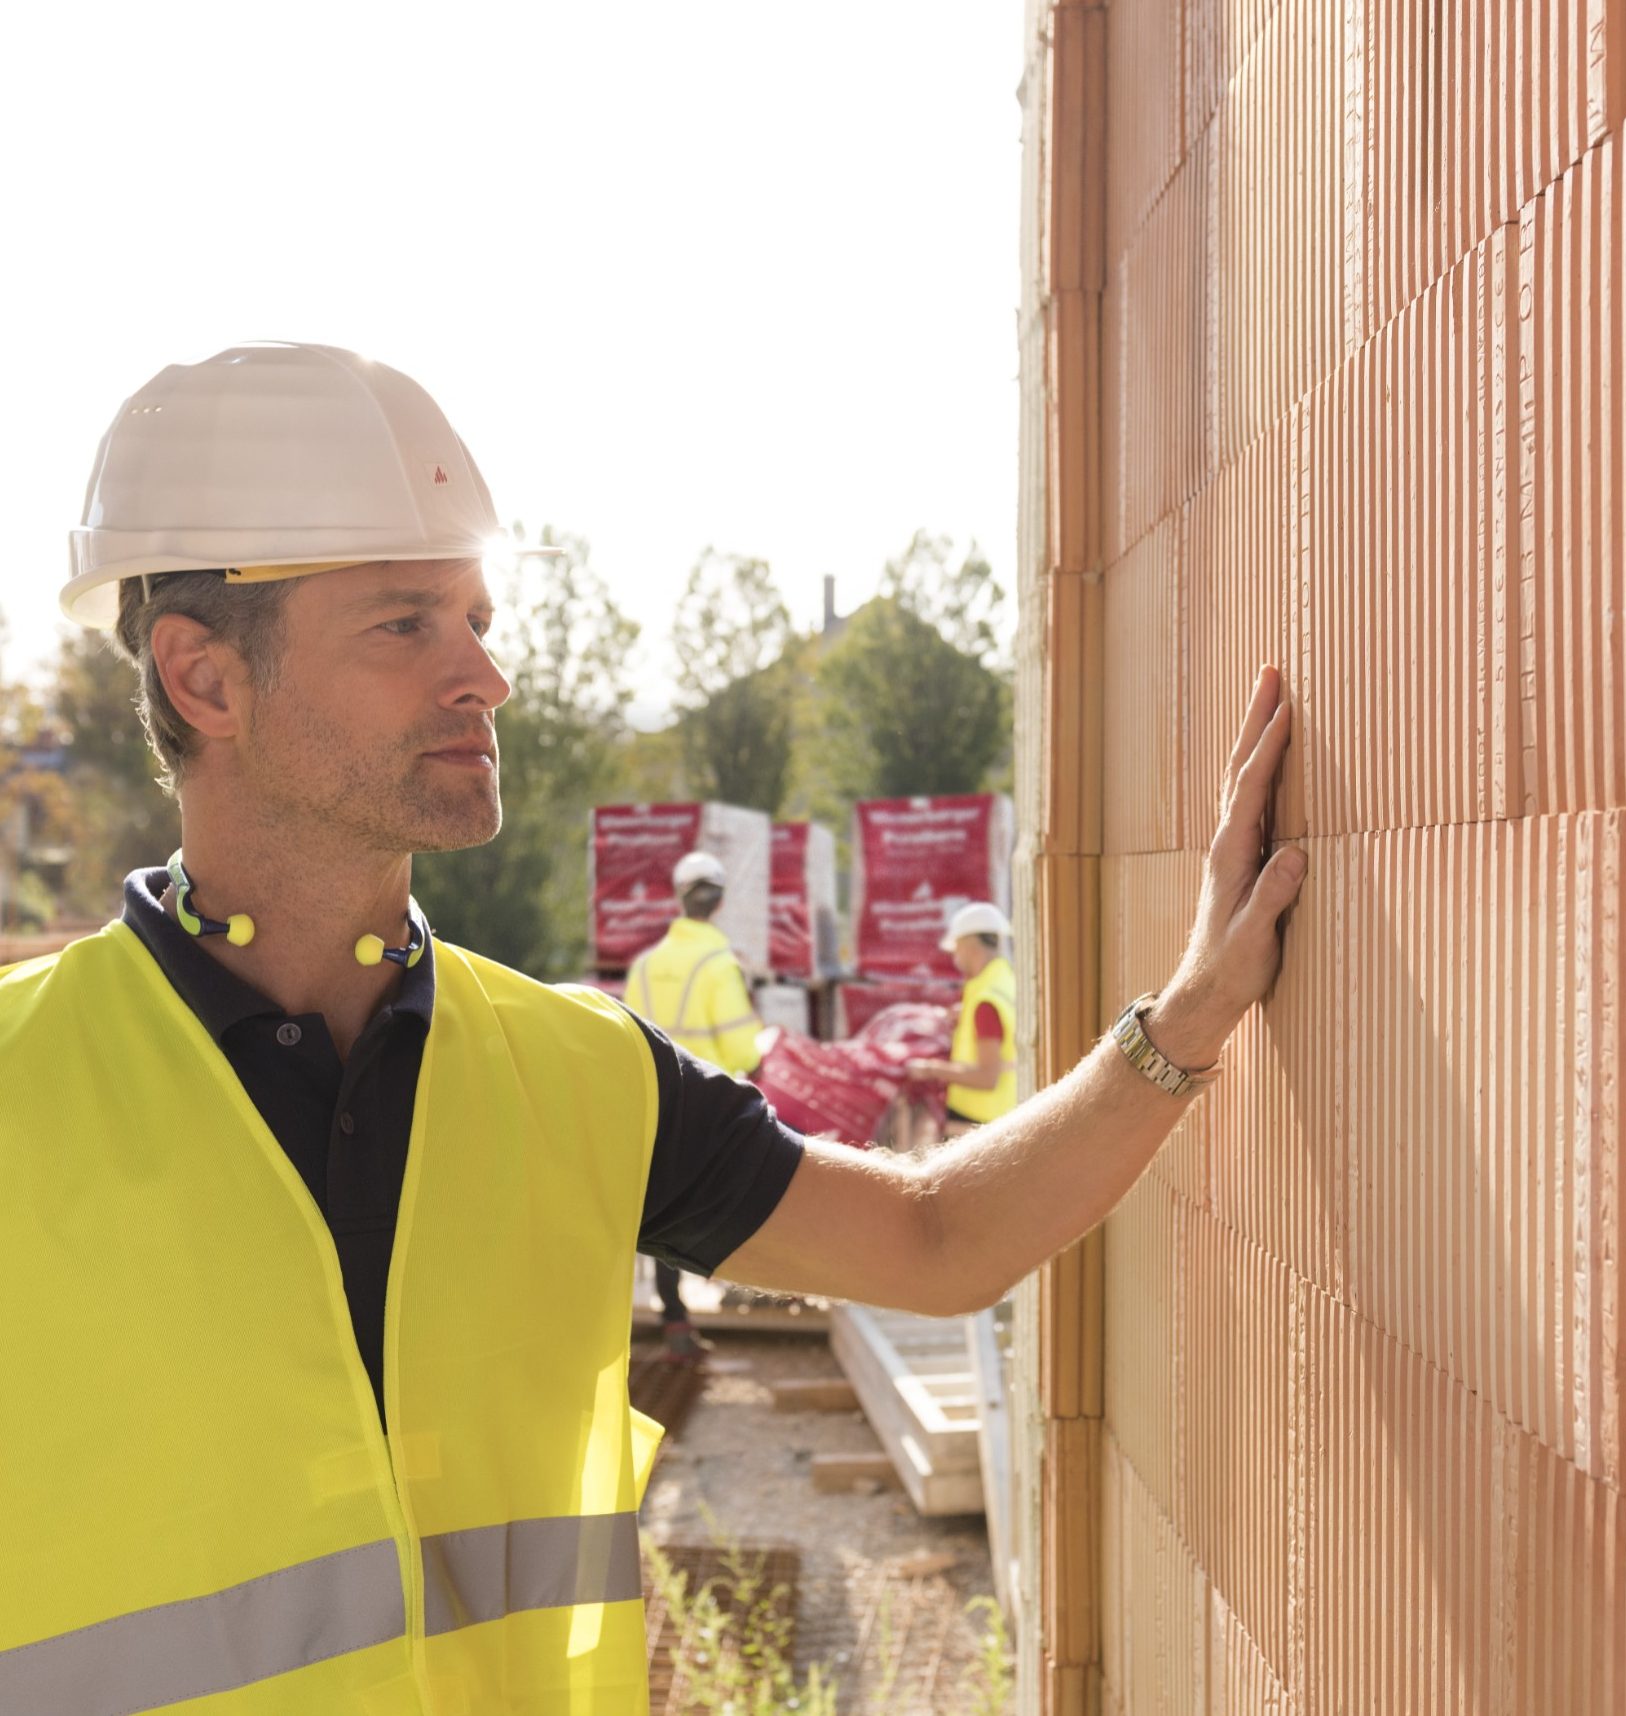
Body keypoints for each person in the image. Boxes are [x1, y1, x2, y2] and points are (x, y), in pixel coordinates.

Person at [0, 342, 1305, 1712]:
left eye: (477, 622)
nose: (484, 679)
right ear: (205, 680)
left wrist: (1187, 1018)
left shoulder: (571, 1073)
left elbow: (936, 1239)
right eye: (405, 627)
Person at [624, 848, 762, 1358]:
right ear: (720, 902)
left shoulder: (645, 965)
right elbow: (743, 1049)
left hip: (654, 1103)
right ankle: (736, 1286)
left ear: (678, 898)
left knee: (660, 1209)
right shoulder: (718, 964)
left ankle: (675, 1318)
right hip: (711, 1107)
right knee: (723, 1198)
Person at [905, 900, 1018, 1134]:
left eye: (956, 948)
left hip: (978, 1122)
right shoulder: (1003, 982)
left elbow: (987, 1077)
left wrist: (930, 1069)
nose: (954, 956)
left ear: (971, 948)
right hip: (1001, 1115)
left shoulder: (985, 1002)